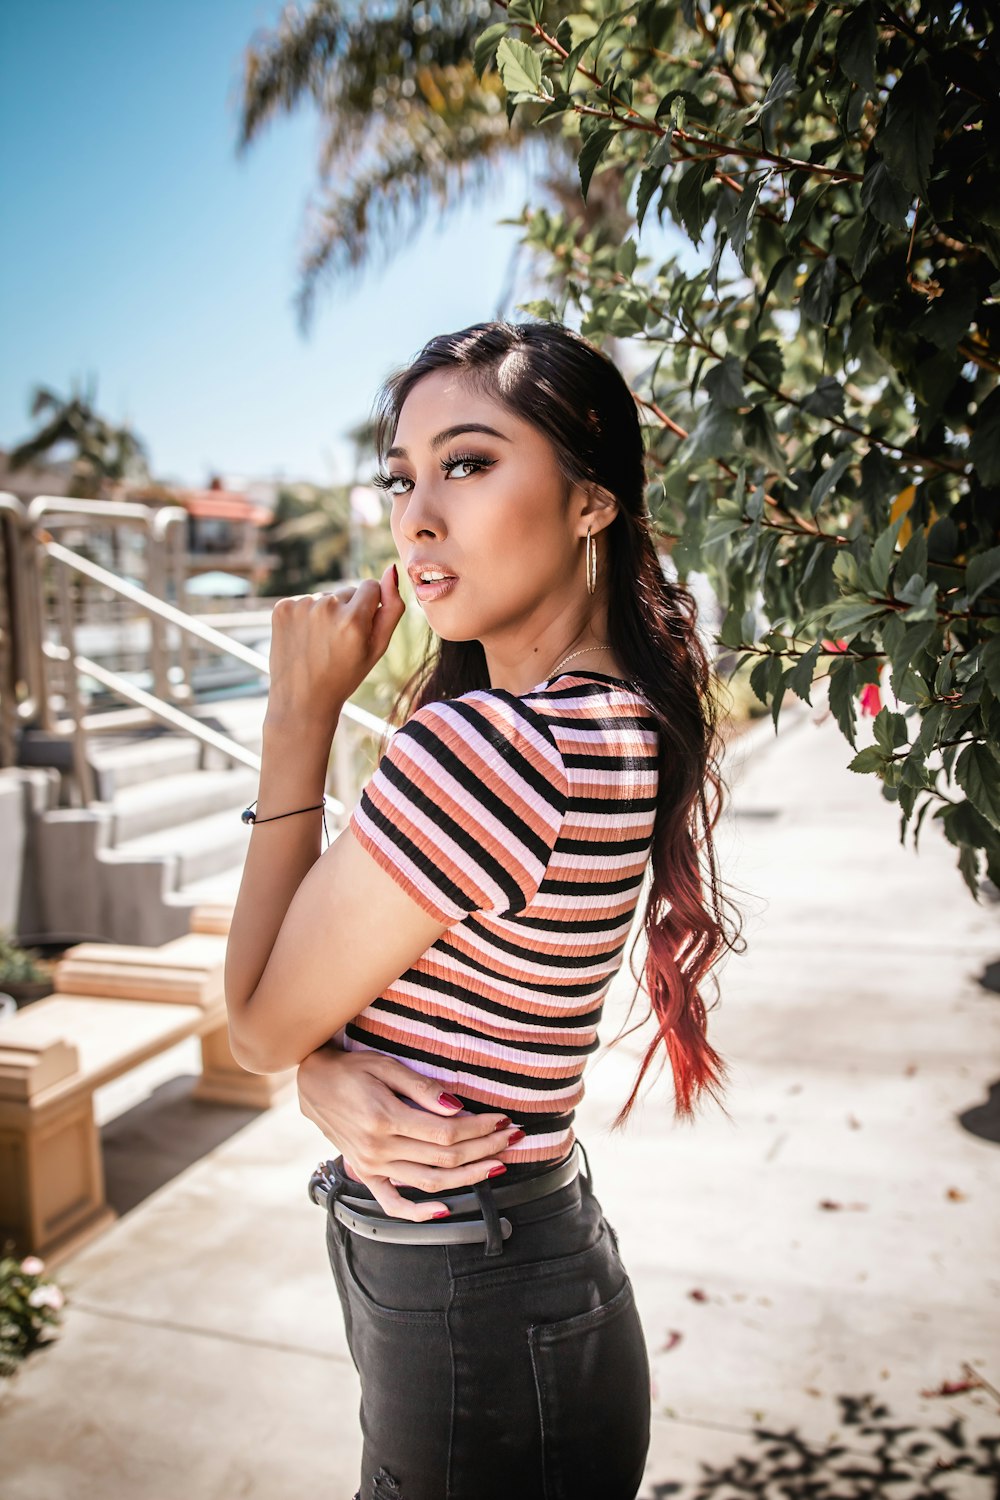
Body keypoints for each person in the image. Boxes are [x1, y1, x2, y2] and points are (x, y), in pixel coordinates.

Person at [223, 320, 743, 1500]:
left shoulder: (495, 750)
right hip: (515, 1272)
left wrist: (296, 721)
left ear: (590, 501)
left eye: (467, 463)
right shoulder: (613, 722)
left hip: (466, 1296)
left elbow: (254, 1028)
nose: (416, 518)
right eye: (400, 477)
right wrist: (324, 1065)